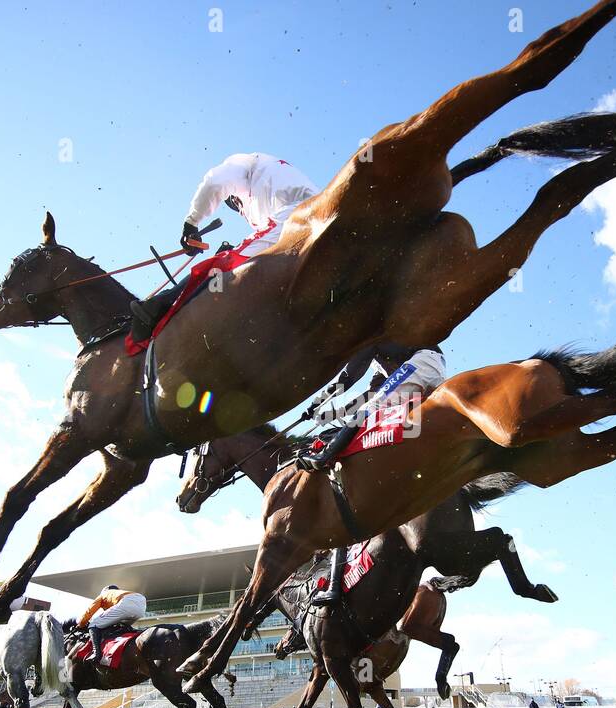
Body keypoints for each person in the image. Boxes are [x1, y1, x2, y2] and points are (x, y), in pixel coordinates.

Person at [299, 342, 447, 608]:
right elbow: (364, 399)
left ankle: (325, 456)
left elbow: (347, 378)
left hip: (425, 361)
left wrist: (318, 401)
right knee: (375, 412)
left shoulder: (372, 339)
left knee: (374, 410)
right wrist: (323, 415)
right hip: (427, 368)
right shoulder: (385, 370)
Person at [133, 152, 319, 332]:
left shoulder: (247, 166)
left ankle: (160, 305)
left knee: (227, 262)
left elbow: (215, 182)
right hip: (303, 223)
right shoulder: (272, 187)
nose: (239, 209)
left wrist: (192, 223)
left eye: (236, 204)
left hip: (297, 217)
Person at [76, 585, 146, 664]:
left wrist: (81, 624)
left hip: (126, 603)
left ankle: (96, 654)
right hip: (141, 604)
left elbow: (89, 611)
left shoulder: (103, 594)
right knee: (122, 626)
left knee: (93, 624)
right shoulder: (120, 593)